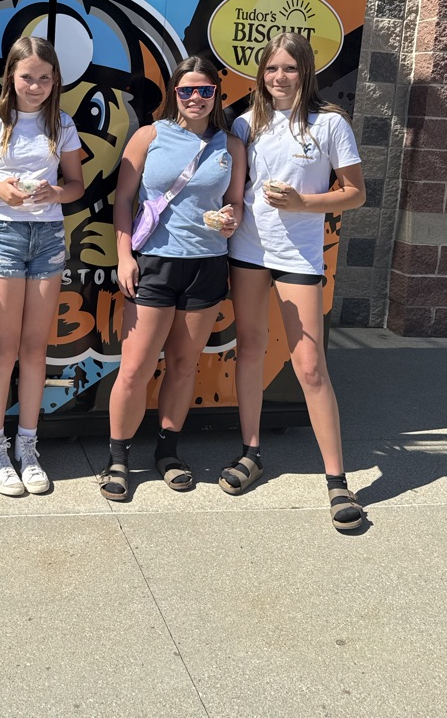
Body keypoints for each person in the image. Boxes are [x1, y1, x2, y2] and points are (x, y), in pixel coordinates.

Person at [223, 31, 367, 532]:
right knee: (249, 350)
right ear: (260, 74)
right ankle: (251, 452)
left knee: (310, 367)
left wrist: (303, 203)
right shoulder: (245, 123)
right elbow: (233, 188)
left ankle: (337, 481)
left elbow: (355, 194)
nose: (279, 77)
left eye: (288, 68)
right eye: (270, 69)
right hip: (247, 251)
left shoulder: (330, 124)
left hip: (299, 256)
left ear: (305, 71)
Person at [99, 55, 246, 502]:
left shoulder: (230, 145)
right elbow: (122, 200)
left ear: (216, 95)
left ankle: (168, 452)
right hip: (155, 264)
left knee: (184, 365)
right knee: (136, 367)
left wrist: (229, 219)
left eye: (205, 90)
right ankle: (118, 459)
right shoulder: (149, 136)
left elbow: (236, 202)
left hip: (207, 264)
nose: (197, 98)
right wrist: (124, 256)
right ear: (174, 94)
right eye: (187, 90)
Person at [0, 36, 84, 496]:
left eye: (45, 78)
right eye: (27, 76)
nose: (35, 86)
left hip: (49, 236)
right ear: (11, 75)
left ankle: (28, 445)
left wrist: (57, 194)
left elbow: (76, 186)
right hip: (4, 237)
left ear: (55, 81)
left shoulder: (62, 124)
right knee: (4, 347)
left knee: (35, 347)